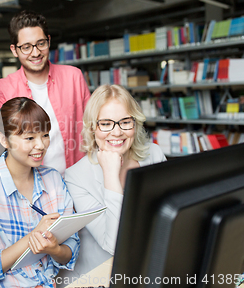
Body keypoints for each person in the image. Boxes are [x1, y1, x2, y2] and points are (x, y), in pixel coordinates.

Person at [0, 97, 79, 287]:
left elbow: (71, 248)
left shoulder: (54, 179)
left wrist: (55, 249)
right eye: (30, 138)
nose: (41, 145)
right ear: (3, 139)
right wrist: (35, 236)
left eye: (45, 135)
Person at [57, 84, 166, 285]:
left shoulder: (154, 154)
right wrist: (110, 175)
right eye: (106, 124)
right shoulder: (76, 177)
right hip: (100, 276)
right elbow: (116, 244)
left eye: (125, 122)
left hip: (145, 264)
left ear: (135, 123)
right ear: (92, 128)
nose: (116, 132)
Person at [0, 10, 90, 176]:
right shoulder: (2, 89)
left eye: (41, 43)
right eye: (26, 47)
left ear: (49, 41)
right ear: (14, 50)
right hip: (32, 184)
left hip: (78, 178)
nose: (36, 52)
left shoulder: (74, 76)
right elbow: (2, 144)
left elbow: (91, 125)